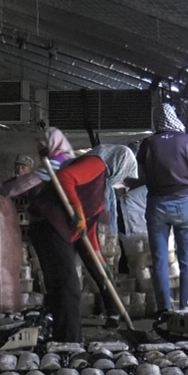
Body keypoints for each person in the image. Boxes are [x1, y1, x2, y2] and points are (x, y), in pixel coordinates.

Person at [26, 129, 117, 341]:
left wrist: (100, 260)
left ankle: (66, 338)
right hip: (50, 228)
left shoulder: (97, 187)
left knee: (64, 288)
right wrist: (77, 210)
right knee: (67, 287)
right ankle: (69, 343)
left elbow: (90, 228)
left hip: (57, 230)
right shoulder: (95, 166)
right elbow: (65, 177)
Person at [137, 103, 188, 312]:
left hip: (157, 204)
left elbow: (141, 173)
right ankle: (185, 307)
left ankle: (163, 309)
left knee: (159, 260)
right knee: (186, 261)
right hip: (185, 203)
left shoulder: (148, 143)